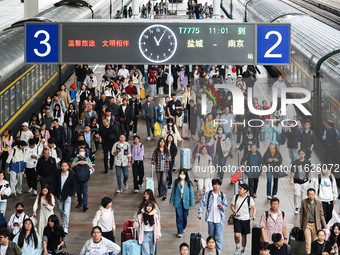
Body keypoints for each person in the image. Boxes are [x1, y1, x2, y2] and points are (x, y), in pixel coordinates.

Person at [198, 179, 228, 252]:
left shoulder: (222, 195)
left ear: (220, 186)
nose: (216, 186)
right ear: (212, 185)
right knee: (211, 236)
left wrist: (222, 207)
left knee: (218, 237)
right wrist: (200, 213)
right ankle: (211, 251)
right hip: (210, 218)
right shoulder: (208, 194)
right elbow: (202, 204)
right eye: (215, 184)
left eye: (218, 185)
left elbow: (225, 206)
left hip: (220, 219)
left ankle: (218, 252)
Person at [300, 188, 327, 255]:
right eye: (309, 194)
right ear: (307, 194)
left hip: (315, 225)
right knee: (308, 242)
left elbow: (321, 214)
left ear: (315, 194)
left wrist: (324, 224)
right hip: (307, 224)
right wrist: (301, 224)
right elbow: (301, 214)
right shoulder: (304, 202)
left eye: (312, 194)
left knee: (314, 241)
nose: (311, 196)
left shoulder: (318, 202)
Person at [231, 184, 256, 255]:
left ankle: (243, 249)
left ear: (245, 190)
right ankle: (237, 246)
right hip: (237, 219)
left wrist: (253, 215)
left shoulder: (249, 198)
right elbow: (232, 206)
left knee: (244, 235)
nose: (239, 190)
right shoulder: (235, 197)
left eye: (241, 189)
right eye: (239, 188)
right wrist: (235, 211)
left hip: (246, 219)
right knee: (237, 235)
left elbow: (254, 207)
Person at [169, 169, 195, 238]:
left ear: (186, 175)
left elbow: (191, 193)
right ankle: (180, 231)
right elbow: (173, 192)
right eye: (181, 174)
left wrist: (192, 203)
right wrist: (171, 201)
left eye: (183, 174)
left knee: (185, 216)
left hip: (186, 201)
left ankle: (183, 227)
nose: (182, 175)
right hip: (178, 201)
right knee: (179, 216)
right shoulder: (176, 182)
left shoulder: (189, 183)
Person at [55, 161, 76, 234]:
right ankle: (64, 222)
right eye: (62, 166)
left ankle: (65, 226)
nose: (64, 167)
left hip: (67, 196)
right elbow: (55, 184)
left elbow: (73, 185)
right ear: (61, 167)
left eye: (65, 166)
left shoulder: (70, 174)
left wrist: (70, 194)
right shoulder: (58, 174)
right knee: (61, 211)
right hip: (59, 196)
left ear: (67, 167)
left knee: (66, 212)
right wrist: (55, 193)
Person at [290, 149, 311, 214]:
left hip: (305, 181)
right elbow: (293, 171)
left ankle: (303, 207)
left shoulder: (307, 162)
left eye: (302, 153)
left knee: (304, 195)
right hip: (296, 181)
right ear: (298, 154)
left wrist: (309, 179)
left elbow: (309, 171)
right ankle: (297, 207)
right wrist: (291, 179)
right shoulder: (295, 162)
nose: (301, 155)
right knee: (297, 194)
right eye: (300, 153)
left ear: (304, 154)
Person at [71, 147, 93, 212]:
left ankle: (85, 205)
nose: (81, 152)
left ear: (85, 152)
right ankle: (80, 202)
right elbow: (72, 165)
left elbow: (91, 166)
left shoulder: (87, 159)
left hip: (85, 179)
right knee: (78, 192)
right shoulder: (76, 159)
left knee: (85, 192)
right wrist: (78, 162)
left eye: (82, 151)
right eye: (80, 151)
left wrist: (86, 163)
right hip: (77, 179)